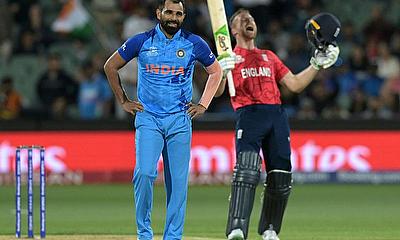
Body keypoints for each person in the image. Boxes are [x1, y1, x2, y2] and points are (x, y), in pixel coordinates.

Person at [216, 10, 340, 240]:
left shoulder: (269, 56)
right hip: (249, 114)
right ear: (233, 31)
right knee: (247, 171)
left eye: (251, 19)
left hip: (276, 115)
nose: (249, 21)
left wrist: (316, 65)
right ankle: (237, 228)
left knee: (281, 175)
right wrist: (222, 71)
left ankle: (270, 228)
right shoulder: (229, 58)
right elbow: (218, 93)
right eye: (242, 20)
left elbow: (293, 84)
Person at [103, 0, 222, 239]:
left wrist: (203, 104)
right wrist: (124, 100)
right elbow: (110, 66)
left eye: (178, 14)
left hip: (179, 119)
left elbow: (216, 71)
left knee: (177, 184)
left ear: (183, 16)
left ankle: (173, 236)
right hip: (149, 118)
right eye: (169, 12)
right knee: (145, 173)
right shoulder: (141, 40)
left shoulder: (194, 43)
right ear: (159, 13)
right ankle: (144, 234)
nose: (173, 17)